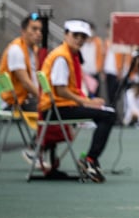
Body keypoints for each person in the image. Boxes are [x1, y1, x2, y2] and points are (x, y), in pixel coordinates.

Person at [40, 19, 116, 183]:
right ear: (65, 35)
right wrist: (86, 102)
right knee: (108, 116)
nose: (79, 39)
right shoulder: (62, 57)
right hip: (56, 109)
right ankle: (90, 160)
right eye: (75, 35)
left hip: (60, 107)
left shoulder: (68, 54)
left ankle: (89, 159)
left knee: (107, 112)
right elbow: (60, 90)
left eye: (83, 36)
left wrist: (87, 101)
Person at [0, 13, 43, 113]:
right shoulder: (16, 50)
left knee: (62, 109)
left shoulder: (34, 50)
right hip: (15, 102)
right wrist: (45, 98)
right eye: (34, 29)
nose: (39, 33)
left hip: (30, 100)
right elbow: (26, 83)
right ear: (23, 31)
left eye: (40, 30)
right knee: (54, 111)